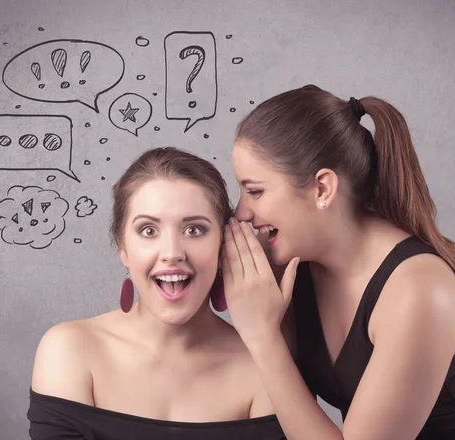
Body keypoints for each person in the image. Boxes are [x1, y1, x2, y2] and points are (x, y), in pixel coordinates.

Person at [221, 85, 455, 439]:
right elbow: (286, 403)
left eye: (256, 191)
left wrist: (262, 335)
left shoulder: (419, 291)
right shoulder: (296, 263)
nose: (243, 212)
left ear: (323, 189)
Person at [27, 147, 286, 439]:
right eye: (148, 231)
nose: (172, 253)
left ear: (225, 244)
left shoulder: (265, 363)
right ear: (123, 248)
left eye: (194, 230)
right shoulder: (69, 350)